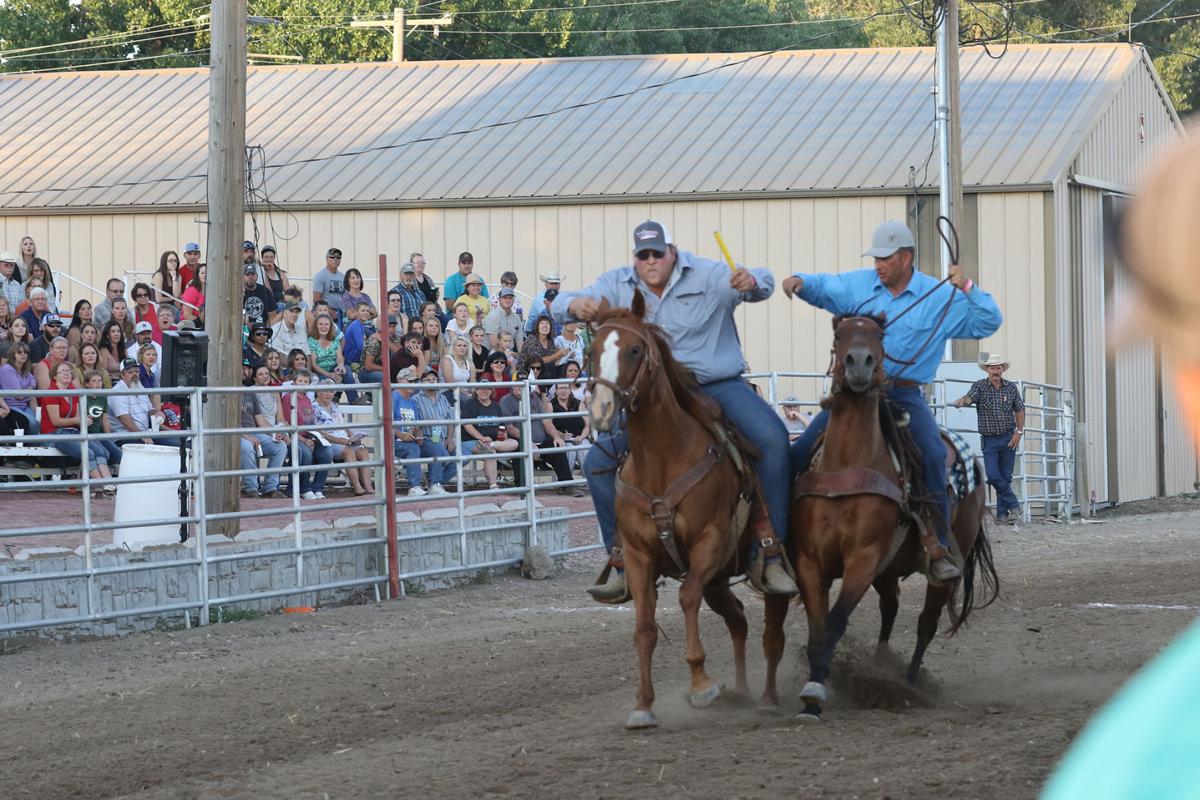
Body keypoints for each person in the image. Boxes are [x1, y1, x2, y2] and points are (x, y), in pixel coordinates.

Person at [553, 219, 798, 599]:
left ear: (672, 252)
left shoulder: (708, 274)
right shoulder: (617, 283)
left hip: (716, 384)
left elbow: (762, 283)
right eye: (642, 254)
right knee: (596, 462)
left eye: (657, 253)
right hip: (654, 396)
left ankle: (770, 552)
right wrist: (571, 302)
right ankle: (621, 561)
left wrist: (752, 282)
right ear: (636, 257)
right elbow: (551, 303)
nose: (650, 261)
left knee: (774, 439)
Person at [783, 219, 1003, 584]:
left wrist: (964, 284)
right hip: (855, 394)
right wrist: (801, 282)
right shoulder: (860, 284)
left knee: (932, 453)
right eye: (875, 259)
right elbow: (827, 288)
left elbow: (987, 320)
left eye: (884, 259)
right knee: (800, 450)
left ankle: (939, 544)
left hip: (903, 392)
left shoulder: (939, 296)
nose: (878, 265)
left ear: (905, 258)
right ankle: (784, 541)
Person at [953, 354, 1025, 524]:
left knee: (1005, 476)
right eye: (992, 368)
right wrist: (963, 401)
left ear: (1002, 369)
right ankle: (1014, 505)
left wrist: (1019, 432)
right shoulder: (979, 386)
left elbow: (1019, 409)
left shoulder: (1011, 388)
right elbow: (970, 398)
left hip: (1009, 437)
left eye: (998, 367)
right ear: (987, 370)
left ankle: (1002, 515)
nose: (995, 371)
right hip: (990, 439)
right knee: (993, 475)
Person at [42, 361, 118, 497]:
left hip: (72, 431)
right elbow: (56, 421)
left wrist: (85, 419)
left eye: (69, 371)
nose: (67, 373)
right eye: (63, 371)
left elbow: (77, 418)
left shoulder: (74, 392)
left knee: (101, 451)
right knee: (88, 453)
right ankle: (107, 489)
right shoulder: (51, 393)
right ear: (55, 376)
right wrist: (79, 420)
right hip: (54, 434)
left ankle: (107, 486)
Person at [501, 370, 579, 496]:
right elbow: (510, 428)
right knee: (519, 450)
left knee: (557, 447)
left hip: (540, 441)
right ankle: (523, 488)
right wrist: (529, 442)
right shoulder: (506, 401)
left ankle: (566, 485)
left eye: (524, 383)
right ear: (512, 384)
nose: (521, 386)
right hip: (521, 441)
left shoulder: (534, 397)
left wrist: (556, 437)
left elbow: (546, 421)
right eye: (518, 383)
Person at [392, 365, 455, 496]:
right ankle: (414, 486)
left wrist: (418, 435)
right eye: (409, 381)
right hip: (394, 440)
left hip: (411, 440)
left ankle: (435, 485)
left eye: (414, 381)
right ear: (400, 381)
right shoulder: (394, 397)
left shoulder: (411, 402)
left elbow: (416, 425)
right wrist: (400, 434)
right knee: (413, 449)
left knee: (435, 448)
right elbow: (386, 422)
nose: (412, 384)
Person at [312, 382, 375, 495]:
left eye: (331, 391)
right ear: (318, 391)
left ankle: (368, 486)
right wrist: (339, 441)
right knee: (349, 452)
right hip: (328, 442)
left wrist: (352, 436)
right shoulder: (313, 407)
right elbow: (318, 432)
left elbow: (343, 426)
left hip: (345, 441)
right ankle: (357, 488)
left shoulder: (335, 406)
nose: (329, 394)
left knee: (363, 451)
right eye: (326, 391)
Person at [279, 369, 333, 500]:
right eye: (300, 381)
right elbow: (288, 424)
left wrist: (316, 436)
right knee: (306, 452)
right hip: (294, 436)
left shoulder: (307, 399)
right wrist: (303, 439)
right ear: (294, 382)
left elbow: (311, 421)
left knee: (327, 452)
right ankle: (304, 488)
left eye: (306, 382)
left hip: (309, 435)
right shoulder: (288, 398)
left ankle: (318, 488)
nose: (303, 384)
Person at [238, 363, 288, 498]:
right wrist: (245, 434)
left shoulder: (249, 393)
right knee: (248, 447)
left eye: (246, 369)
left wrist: (275, 433)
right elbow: (226, 422)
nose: (244, 371)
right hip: (235, 433)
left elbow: (260, 419)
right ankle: (251, 487)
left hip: (254, 432)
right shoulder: (224, 392)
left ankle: (270, 487)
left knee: (280, 446)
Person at [460, 384, 519, 491]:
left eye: (487, 389)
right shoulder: (470, 403)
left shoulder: (496, 406)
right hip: (472, 440)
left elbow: (501, 425)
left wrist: (502, 435)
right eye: (481, 388)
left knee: (514, 443)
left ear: (492, 391)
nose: (484, 391)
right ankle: (493, 485)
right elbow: (467, 425)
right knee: (490, 452)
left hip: (493, 441)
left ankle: (491, 445)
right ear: (476, 391)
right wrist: (481, 438)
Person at [109, 358, 171, 447]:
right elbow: (124, 419)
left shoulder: (140, 387)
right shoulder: (118, 391)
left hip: (144, 433)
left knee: (175, 443)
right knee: (154, 447)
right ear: (122, 375)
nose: (134, 374)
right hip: (125, 436)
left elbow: (149, 411)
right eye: (130, 372)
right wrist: (141, 436)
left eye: (136, 371)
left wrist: (157, 413)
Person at [412, 367, 458, 476]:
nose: (432, 381)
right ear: (421, 383)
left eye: (434, 379)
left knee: (464, 454)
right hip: (425, 440)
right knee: (439, 451)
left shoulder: (443, 398)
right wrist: (428, 421)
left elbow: (450, 420)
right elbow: (413, 424)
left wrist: (450, 438)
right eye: (428, 379)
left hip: (443, 439)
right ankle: (435, 482)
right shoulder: (415, 399)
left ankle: (436, 481)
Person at [549, 381, 590, 472]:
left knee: (584, 447)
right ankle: (565, 483)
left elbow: (588, 425)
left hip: (580, 437)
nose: (563, 391)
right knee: (569, 451)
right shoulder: (551, 405)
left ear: (570, 390)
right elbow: (548, 425)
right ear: (556, 391)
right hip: (562, 439)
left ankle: (588, 482)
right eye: (560, 388)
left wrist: (582, 437)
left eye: (566, 388)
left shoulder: (579, 404)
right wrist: (561, 435)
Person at [517, 315, 569, 379]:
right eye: (542, 323)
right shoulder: (531, 339)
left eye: (547, 323)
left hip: (543, 371)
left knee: (565, 367)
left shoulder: (551, 341)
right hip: (527, 372)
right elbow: (536, 361)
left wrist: (566, 354)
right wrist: (557, 355)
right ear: (537, 327)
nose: (545, 325)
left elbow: (554, 357)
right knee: (548, 368)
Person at [0, 342, 38, 429]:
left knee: (37, 422)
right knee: (33, 424)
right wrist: (30, 388)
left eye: (26, 352)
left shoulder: (26, 370)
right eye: (19, 352)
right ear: (13, 354)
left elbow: (32, 396)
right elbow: (19, 396)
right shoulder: (7, 369)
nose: (23, 354)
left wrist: (37, 414)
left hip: (24, 406)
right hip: (11, 407)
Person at [307, 313, 346, 385]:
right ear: (316, 326)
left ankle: (353, 396)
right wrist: (329, 374)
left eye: (326, 324)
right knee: (326, 381)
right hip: (319, 372)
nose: (323, 327)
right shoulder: (311, 341)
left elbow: (339, 357)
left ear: (330, 326)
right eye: (320, 324)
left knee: (347, 370)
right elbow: (313, 364)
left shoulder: (335, 339)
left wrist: (340, 365)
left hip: (333, 368)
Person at [483, 285, 524, 352]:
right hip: (492, 354)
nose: (508, 300)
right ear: (499, 300)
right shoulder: (493, 316)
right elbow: (494, 345)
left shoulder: (517, 318)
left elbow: (520, 343)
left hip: (510, 353)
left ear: (513, 300)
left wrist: (521, 357)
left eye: (510, 298)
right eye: (505, 298)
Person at [312, 248, 345, 319]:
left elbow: (345, 296)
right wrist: (330, 311)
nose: (335, 259)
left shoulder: (342, 277)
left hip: (341, 312)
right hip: (325, 313)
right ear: (326, 258)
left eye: (338, 257)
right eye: (332, 257)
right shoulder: (320, 275)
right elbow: (316, 298)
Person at [242, 264, 276, 328]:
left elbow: (272, 314)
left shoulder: (265, 291)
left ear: (257, 276)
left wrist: (266, 329)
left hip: (262, 329)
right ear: (243, 277)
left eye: (253, 274)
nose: (250, 277)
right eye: (247, 275)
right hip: (244, 328)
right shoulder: (239, 293)